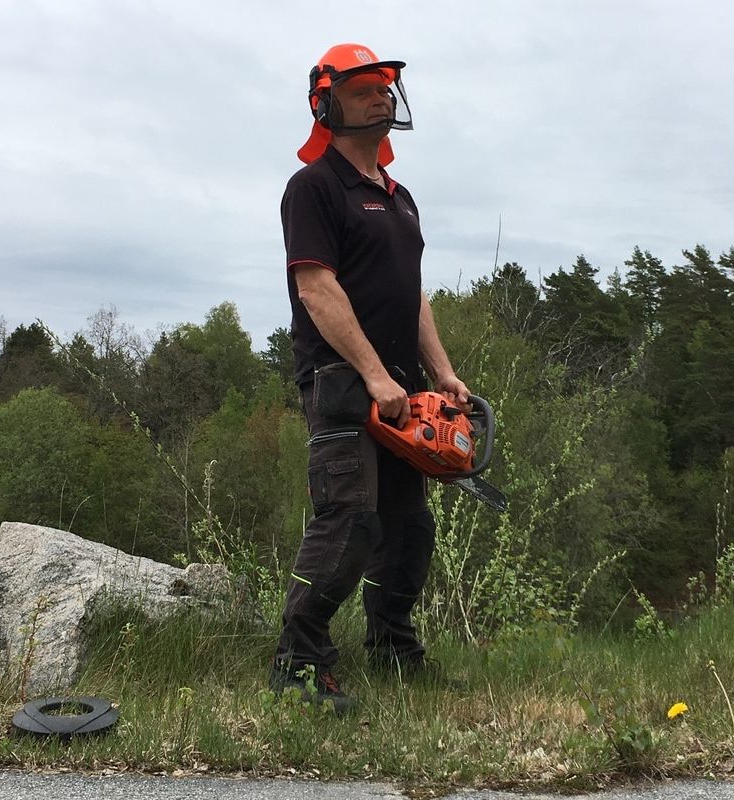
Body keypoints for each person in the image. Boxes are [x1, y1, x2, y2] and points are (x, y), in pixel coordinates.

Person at [271, 43, 469, 714]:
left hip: (404, 393)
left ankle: (393, 652)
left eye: (386, 87)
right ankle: (298, 663)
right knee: (349, 520)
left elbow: (412, 294)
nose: (381, 96)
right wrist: (377, 376)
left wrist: (440, 374)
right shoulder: (313, 188)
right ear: (325, 103)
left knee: (408, 531)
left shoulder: (400, 197)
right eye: (363, 89)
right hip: (343, 384)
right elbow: (318, 289)